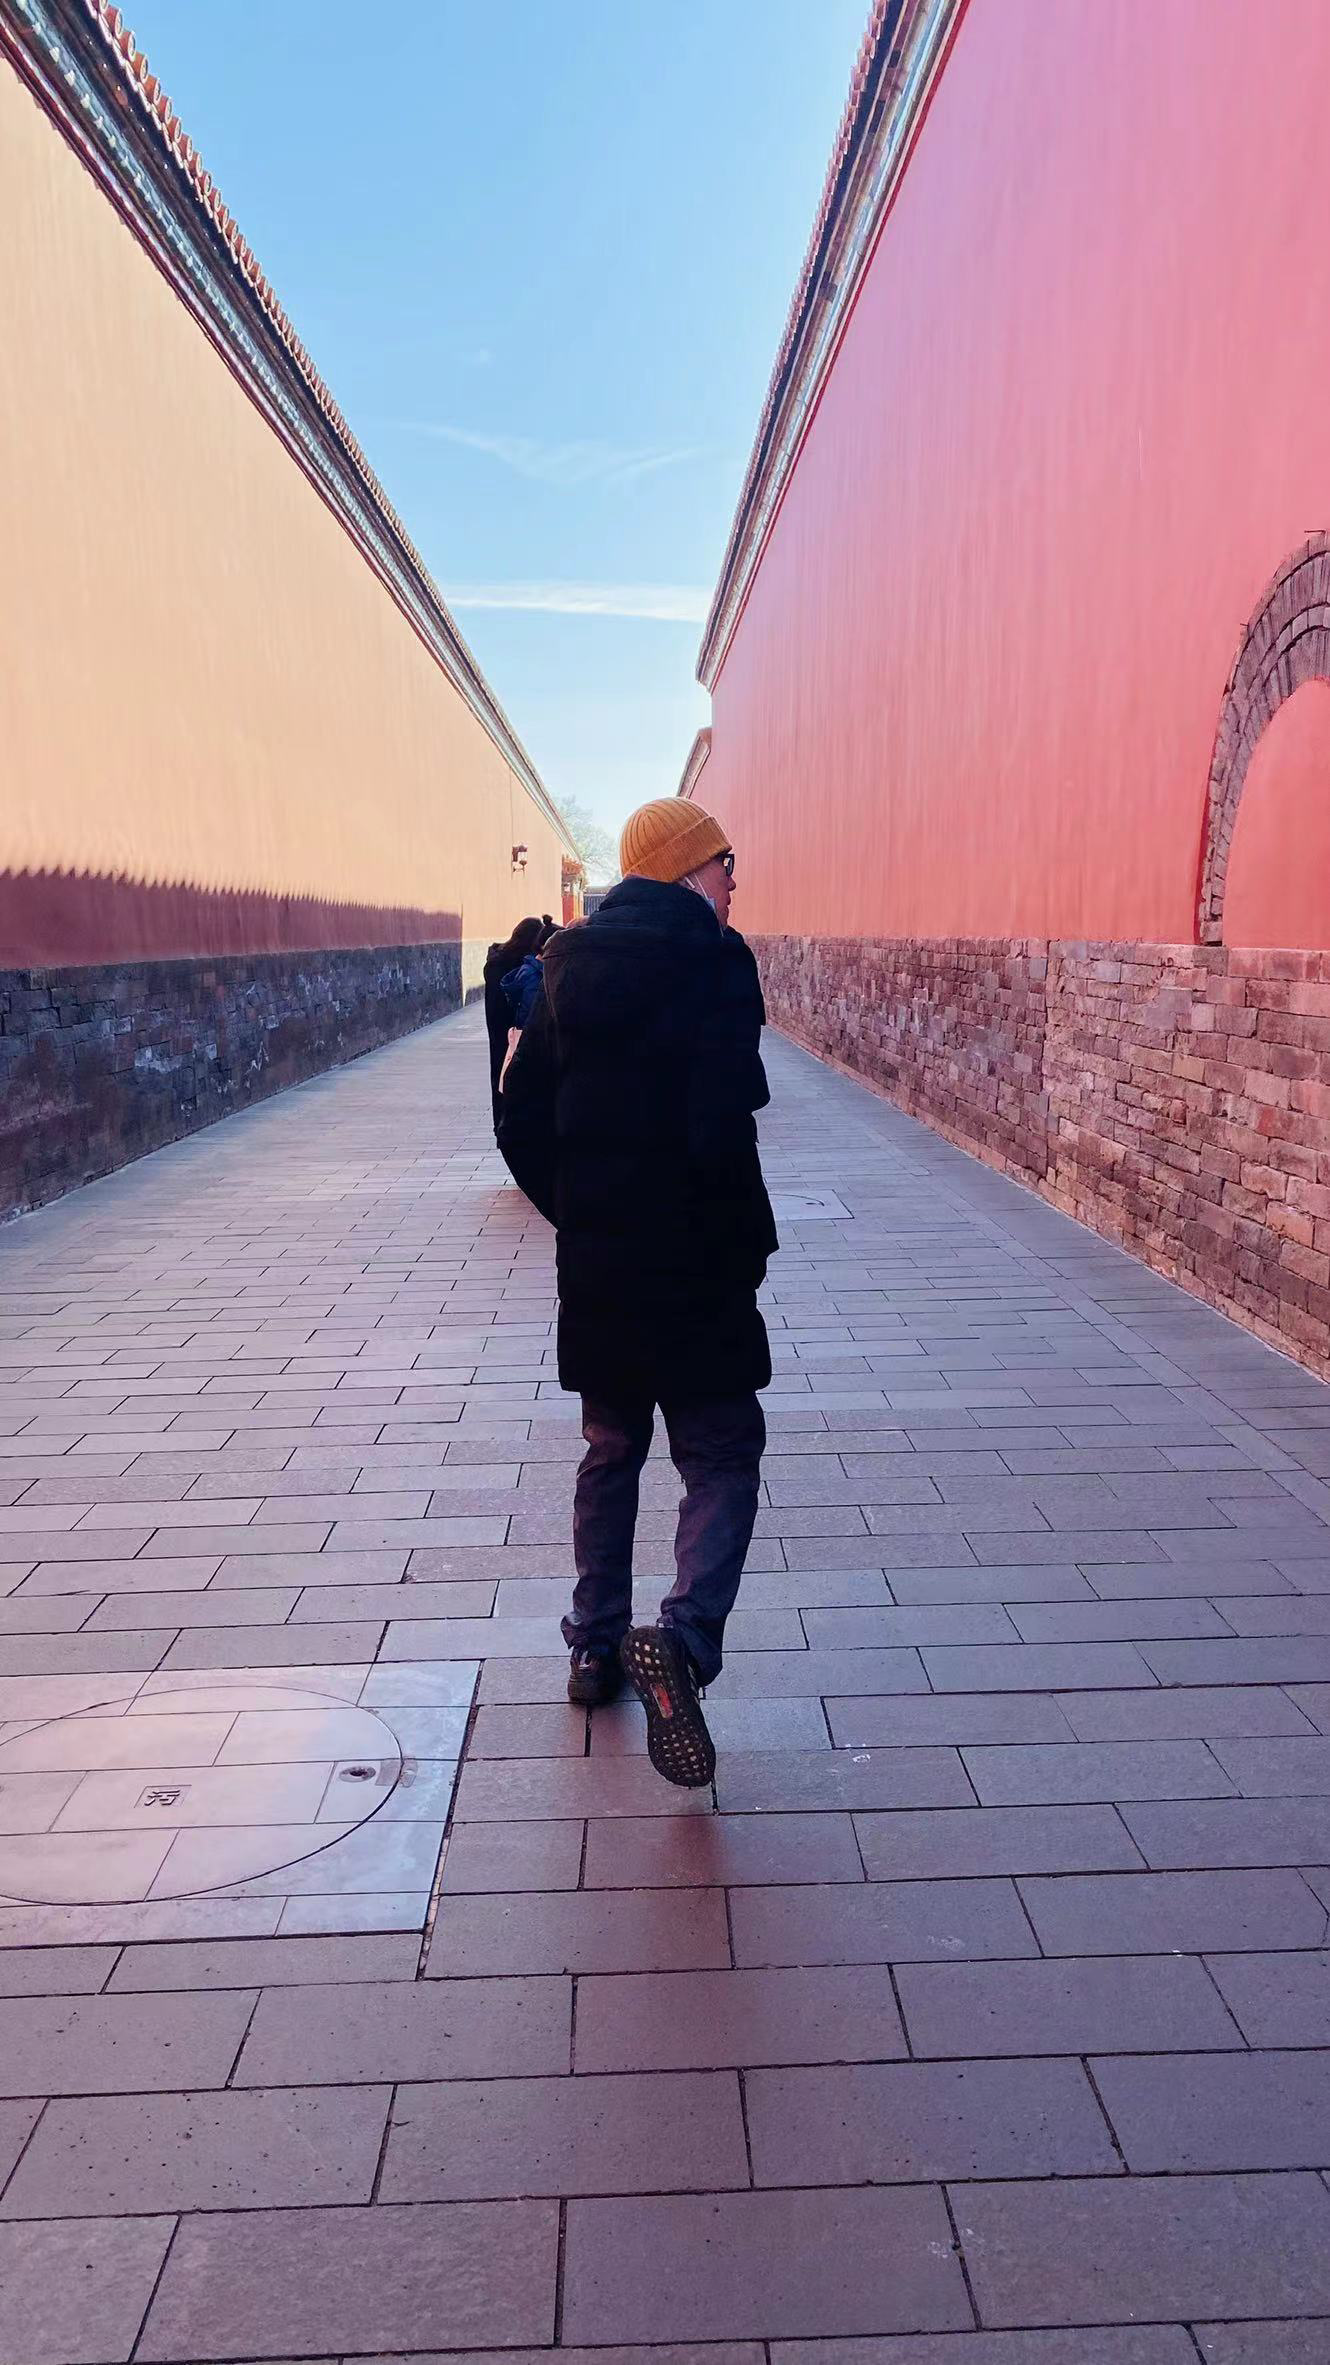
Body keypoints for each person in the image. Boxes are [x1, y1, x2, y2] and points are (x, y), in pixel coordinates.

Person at [498, 798, 776, 1787]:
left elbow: (518, 1116)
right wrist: (739, 1246)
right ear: (689, 868)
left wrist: (580, 1213)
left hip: (606, 1267)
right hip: (699, 1268)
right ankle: (683, 1641)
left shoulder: (562, 968)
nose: (734, 880)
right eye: (726, 861)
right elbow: (724, 1126)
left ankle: (593, 1643)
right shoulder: (716, 960)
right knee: (723, 1453)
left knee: (611, 1449)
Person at [483, 916, 542, 1133]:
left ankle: (500, 1126)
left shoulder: (495, 962)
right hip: (515, 1030)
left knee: (499, 1077)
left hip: (497, 1028)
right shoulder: (522, 967)